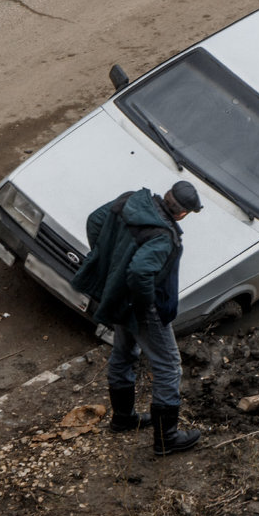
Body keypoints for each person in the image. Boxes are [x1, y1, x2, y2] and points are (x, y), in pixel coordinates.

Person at [71, 181, 203, 455]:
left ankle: (123, 418)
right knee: (169, 366)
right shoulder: (163, 237)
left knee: (124, 351)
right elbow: (141, 272)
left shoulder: (130, 200)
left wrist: (110, 264)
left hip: (118, 296)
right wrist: (142, 304)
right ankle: (167, 440)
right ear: (183, 214)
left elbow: (95, 221)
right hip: (143, 307)